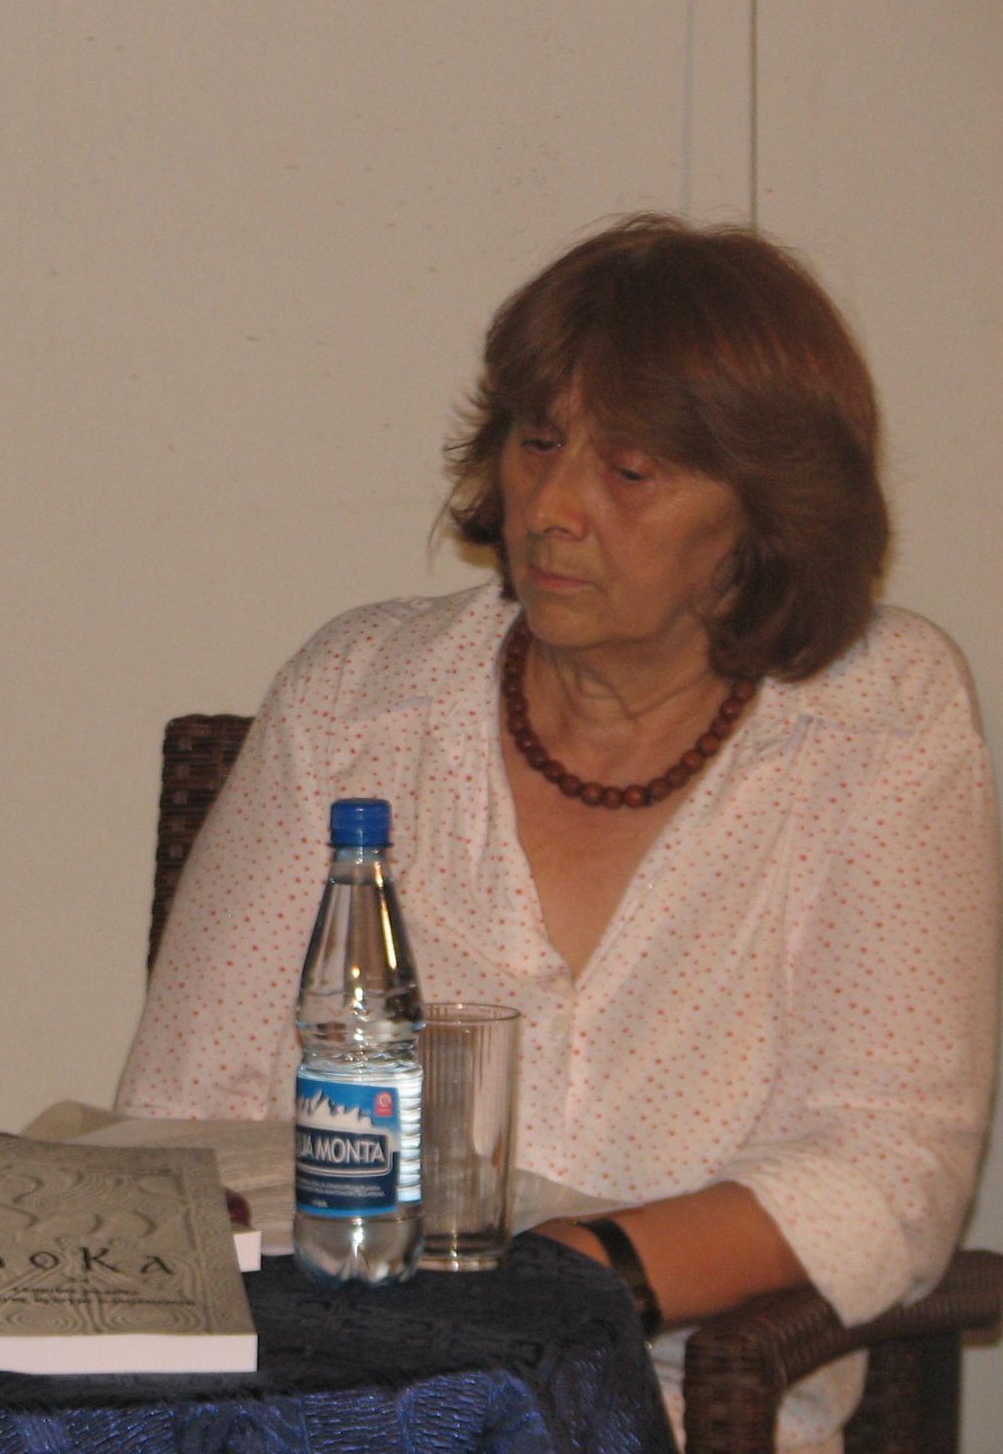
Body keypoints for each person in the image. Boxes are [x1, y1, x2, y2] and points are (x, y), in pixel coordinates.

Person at [116, 214, 1000, 1452]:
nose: (552, 508)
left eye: (628, 472)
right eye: (536, 442)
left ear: (763, 512)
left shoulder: (877, 714)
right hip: (323, 1399)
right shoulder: (356, 699)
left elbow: (887, 1167)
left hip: (674, 1406)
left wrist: (562, 1286)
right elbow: (175, 1123)